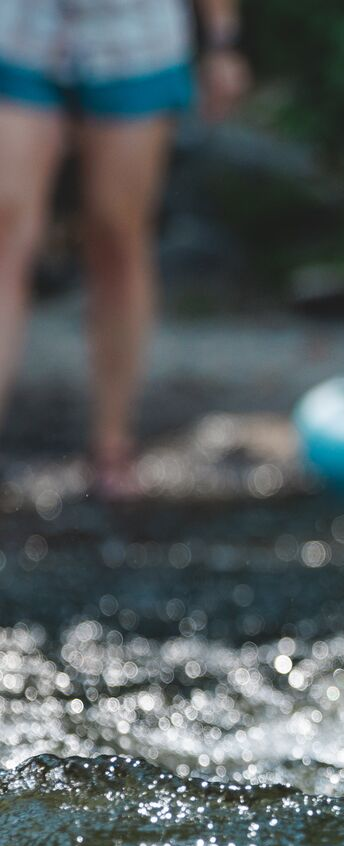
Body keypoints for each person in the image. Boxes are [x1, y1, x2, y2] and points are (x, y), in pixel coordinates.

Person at [0, 0, 250, 498]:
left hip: (137, 41)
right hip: (22, 30)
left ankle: (112, 446)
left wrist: (222, 42)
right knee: (6, 227)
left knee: (117, 235)